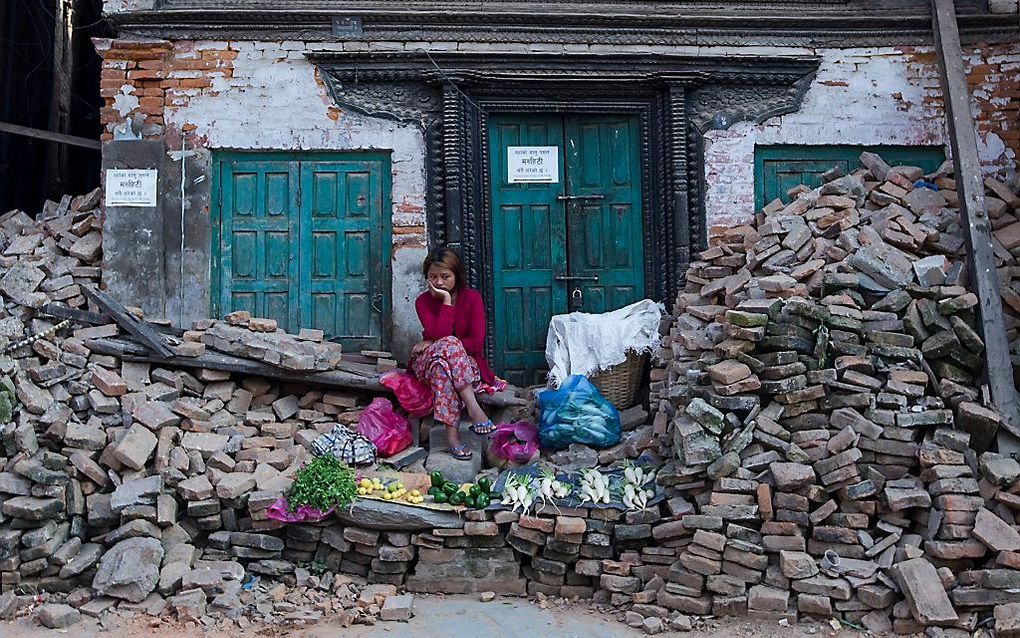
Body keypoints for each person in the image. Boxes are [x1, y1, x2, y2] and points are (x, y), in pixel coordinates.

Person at [409, 247, 502, 460]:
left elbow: (476, 344)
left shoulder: (472, 299)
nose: (439, 283)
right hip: (426, 362)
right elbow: (439, 333)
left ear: (456, 276)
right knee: (447, 345)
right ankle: (474, 408)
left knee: (442, 367)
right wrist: (446, 302)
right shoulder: (422, 302)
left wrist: (436, 342)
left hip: (465, 364)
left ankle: (452, 437)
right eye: (433, 277)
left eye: (445, 277)